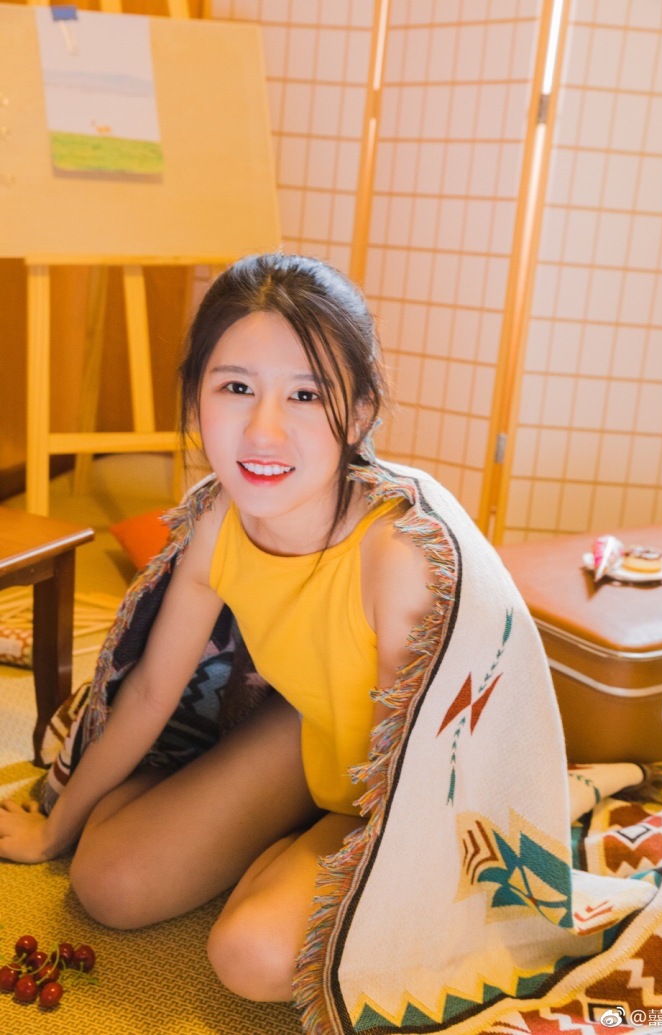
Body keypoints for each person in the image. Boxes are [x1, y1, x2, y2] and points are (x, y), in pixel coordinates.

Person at [0, 253, 435, 1003]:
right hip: (305, 739)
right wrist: (54, 828)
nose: (264, 430)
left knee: (251, 957)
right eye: (236, 387)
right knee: (107, 883)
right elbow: (149, 694)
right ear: (196, 396)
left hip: (394, 791)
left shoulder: (396, 551)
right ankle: (258, 829)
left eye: (306, 394)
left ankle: (282, 850)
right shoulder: (218, 520)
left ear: (362, 413)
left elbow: (425, 767)